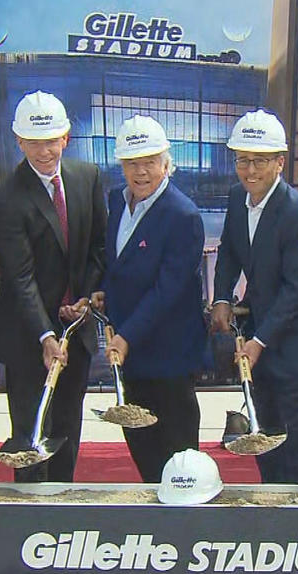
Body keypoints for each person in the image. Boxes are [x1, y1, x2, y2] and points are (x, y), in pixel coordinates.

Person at [0, 91, 107, 482]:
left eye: (51, 141)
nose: (44, 151)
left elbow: (98, 250)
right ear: (19, 142)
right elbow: (18, 277)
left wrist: (86, 299)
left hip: (78, 331)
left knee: (67, 432)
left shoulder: (87, 178)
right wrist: (45, 335)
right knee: (32, 437)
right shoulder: (5, 199)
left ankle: (60, 518)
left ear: (66, 138)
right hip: (28, 337)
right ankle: (31, 518)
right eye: (34, 143)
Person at [210, 109, 298, 484]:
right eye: (243, 160)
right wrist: (221, 297)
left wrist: (260, 340)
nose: (250, 170)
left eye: (260, 161)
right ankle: (272, 519)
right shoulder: (236, 198)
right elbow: (230, 250)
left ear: (280, 162)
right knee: (266, 438)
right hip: (261, 342)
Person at [102, 115, 207, 482]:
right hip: (130, 358)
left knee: (178, 463)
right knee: (145, 455)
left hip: (168, 358)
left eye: (150, 162)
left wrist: (126, 335)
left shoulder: (183, 216)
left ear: (167, 163)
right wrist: (102, 293)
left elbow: (168, 290)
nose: (141, 172)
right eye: (132, 163)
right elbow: (116, 263)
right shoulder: (117, 201)